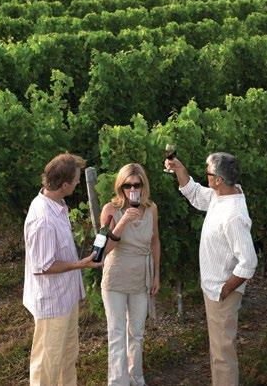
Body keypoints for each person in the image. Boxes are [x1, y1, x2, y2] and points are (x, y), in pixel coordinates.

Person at [164, 152, 258, 386]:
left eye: (207, 172)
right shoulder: (221, 196)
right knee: (218, 350)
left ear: (218, 180)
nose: (204, 176)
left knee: (222, 354)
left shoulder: (233, 216)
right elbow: (196, 194)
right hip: (215, 290)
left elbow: (249, 261)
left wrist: (225, 289)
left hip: (221, 292)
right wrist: (179, 170)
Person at [23, 153, 102, 386]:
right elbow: (43, 266)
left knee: (67, 357)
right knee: (47, 364)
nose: (78, 183)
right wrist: (81, 264)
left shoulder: (57, 205)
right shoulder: (43, 219)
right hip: (52, 303)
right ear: (64, 185)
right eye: (75, 180)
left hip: (65, 298)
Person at [99, 163, 161, 386]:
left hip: (141, 276)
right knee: (117, 333)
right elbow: (104, 250)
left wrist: (156, 275)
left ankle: (136, 378)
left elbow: (155, 242)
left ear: (144, 185)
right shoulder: (110, 209)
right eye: (127, 185)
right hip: (115, 276)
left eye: (137, 184)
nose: (133, 189)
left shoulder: (151, 209)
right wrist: (123, 221)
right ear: (120, 186)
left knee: (137, 332)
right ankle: (118, 382)